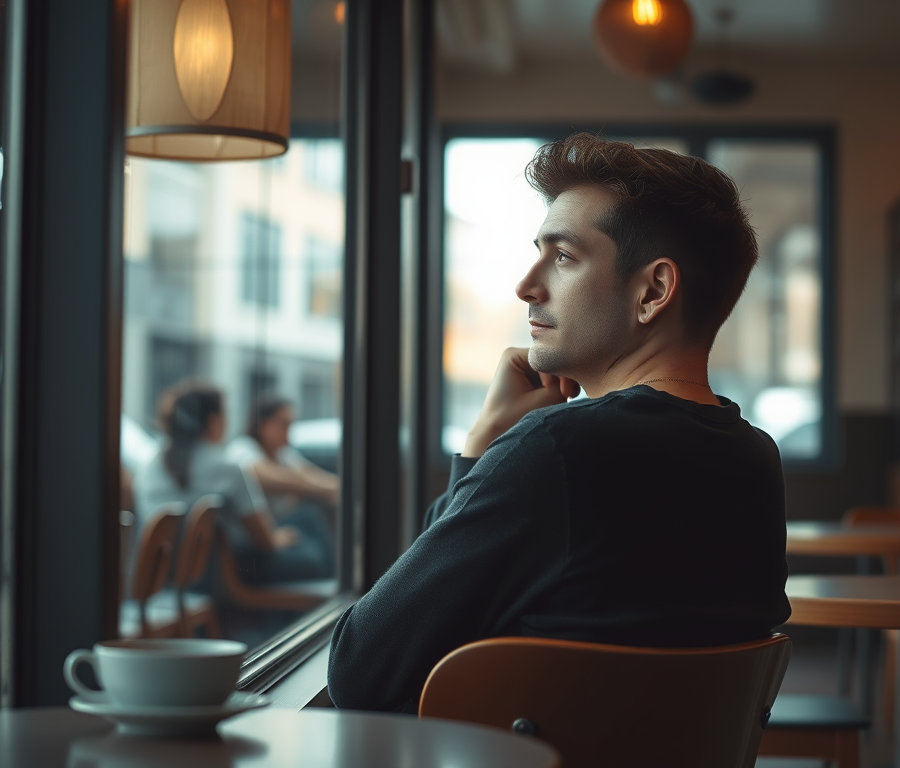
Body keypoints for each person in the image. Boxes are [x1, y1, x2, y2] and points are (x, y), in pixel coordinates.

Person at [327, 133, 791, 712]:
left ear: (653, 291)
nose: (526, 285)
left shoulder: (559, 450)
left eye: (564, 256)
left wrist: (483, 450)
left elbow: (362, 671)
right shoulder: (756, 457)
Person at [134, 381, 332, 586]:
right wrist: (282, 538)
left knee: (307, 523)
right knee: (312, 555)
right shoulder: (228, 468)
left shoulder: (148, 467)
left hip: (154, 580)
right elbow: (266, 541)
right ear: (213, 421)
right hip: (216, 578)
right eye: (225, 415)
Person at [226, 395, 339, 522]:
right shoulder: (242, 447)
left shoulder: (282, 453)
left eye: (290, 425)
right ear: (264, 425)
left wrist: (337, 486)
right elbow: (275, 477)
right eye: (284, 424)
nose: (289, 431)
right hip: (257, 535)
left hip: (282, 524)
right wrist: (331, 488)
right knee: (309, 517)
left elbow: (308, 473)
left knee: (311, 515)